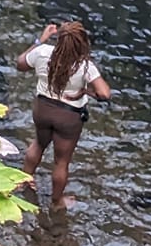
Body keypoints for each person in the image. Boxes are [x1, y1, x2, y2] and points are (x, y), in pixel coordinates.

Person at [16, 19, 110, 208]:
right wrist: (85, 92)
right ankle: (57, 201)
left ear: (58, 39)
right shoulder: (84, 66)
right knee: (61, 161)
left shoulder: (42, 53)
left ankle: (24, 181)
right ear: (82, 43)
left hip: (42, 108)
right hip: (69, 116)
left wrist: (40, 40)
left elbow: (20, 64)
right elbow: (104, 93)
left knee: (38, 143)